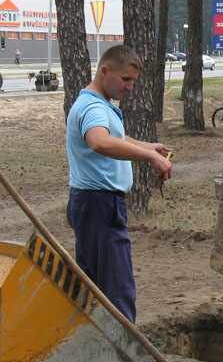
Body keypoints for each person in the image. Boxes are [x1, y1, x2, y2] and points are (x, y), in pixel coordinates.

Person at [65, 44, 173, 322]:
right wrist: (149, 156)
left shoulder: (97, 105)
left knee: (95, 286)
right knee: (117, 288)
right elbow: (99, 141)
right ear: (105, 71)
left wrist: (149, 146)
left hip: (93, 204)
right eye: (125, 80)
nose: (129, 88)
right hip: (100, 204)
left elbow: (115, 137)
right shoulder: (93, 107)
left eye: (133, 82)